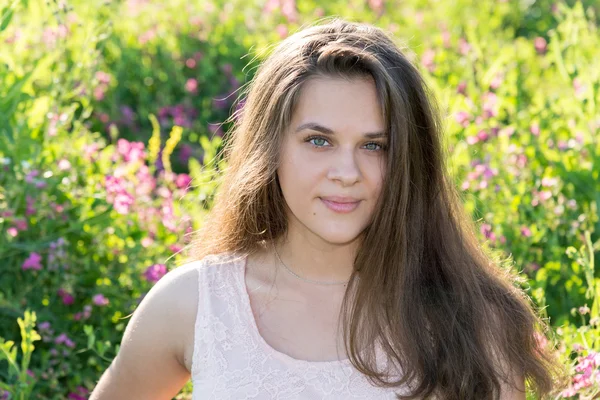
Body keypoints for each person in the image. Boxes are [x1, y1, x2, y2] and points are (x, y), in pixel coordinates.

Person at [89, 17, 567, 400]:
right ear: (271, 148)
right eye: (319, 140)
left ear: (408, 160)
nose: (346, 171)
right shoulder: (193, 303)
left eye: (375, 146)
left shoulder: (471, 320)